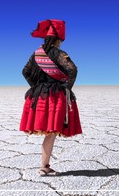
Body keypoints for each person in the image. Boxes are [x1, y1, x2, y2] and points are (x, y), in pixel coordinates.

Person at [19, 19, 83, 176]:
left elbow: (25, 72)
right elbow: (72, 70)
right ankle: (44, 167)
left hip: (39, 97)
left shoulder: (36, 54)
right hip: (55, 97)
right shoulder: (60, 54)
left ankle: (45, 166)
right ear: (58, 40)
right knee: (51, 133)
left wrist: (37, 86)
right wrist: (66, 87)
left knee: (50, 133)